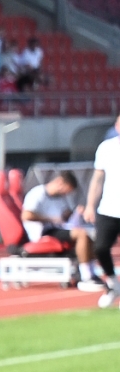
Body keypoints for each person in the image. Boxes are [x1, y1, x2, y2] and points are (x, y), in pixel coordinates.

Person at [20, 170, 99, 289]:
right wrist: (50, 219)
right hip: (43, 231)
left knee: (90, 237)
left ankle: (92, 273)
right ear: (60, 183)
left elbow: (65, 215)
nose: (66, 194)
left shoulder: (59, 198)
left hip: (58, 228)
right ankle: (86, 276)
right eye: (67, 190)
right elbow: (26, 215)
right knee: (81, 235)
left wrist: (76, 213)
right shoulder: (37, 194)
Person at [84, 115, 120, 309]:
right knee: (100, 248)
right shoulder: (106, 148)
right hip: (108, 209)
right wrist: (90, 205)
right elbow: (98, 179)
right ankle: (113, 285)